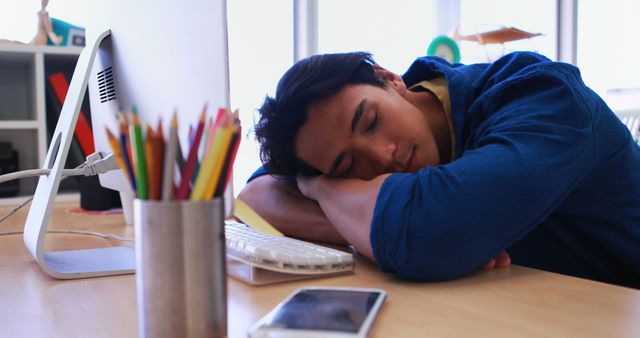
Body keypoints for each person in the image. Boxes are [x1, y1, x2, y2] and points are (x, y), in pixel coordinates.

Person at [238, 51, 640, 288]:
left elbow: (425, 230)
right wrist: (359, 225)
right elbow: (257, 197)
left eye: (371, 120)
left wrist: (325, 191)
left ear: (390, 80)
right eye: (348, 165)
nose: (383, 155)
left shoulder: (542, 94)